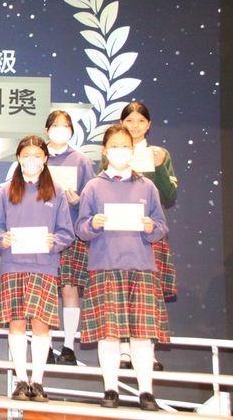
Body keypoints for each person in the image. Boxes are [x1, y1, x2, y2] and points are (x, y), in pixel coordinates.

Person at [76, 124, 169, 412]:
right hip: (105, 266)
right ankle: (110, 388)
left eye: (125, 146)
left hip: (141, 267)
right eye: (114, 146)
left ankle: (146, 392)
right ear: (105, 151)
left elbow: (161, 226)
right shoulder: (93, 186)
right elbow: (81, 229)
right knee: (109, 333)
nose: (120, 151)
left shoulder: (147, 186)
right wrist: (93, 224)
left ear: (132, 150)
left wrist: (151, 227)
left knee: (142, 333)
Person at [0, 135, 74, 402]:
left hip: (44, 266)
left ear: (45, 159)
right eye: (26, 156)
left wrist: (54, 241)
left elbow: (67, 232)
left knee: (40, 325)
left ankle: (37, 381)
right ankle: (21, 380)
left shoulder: (57, 192)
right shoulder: (6, 191)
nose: (32, 160)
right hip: (13, 265)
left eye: (37, 156)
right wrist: (2, 239)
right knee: (15, 323)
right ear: (18, 158)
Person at [117, 101, 177, 371]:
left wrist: (160, 167)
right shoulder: (113, 152)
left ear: (149, 125)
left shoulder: (159, 154)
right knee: (119, 291)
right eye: (130, 121)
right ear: (121, 124)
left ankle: (147, 352)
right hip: (118, 233)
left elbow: (169, 195)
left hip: (148, 232)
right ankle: (123, 350)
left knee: (148, 294)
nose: (135, 126)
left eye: (141, 121)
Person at [44, 110, 95, 365]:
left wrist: (78, 201)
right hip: (42, 233)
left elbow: (93, 200)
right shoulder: (36, 156)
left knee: (69, 287)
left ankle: (68, 346)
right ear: (46, 130)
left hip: (70, 232)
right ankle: (45, 345)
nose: (60, 130)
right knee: (44, 288)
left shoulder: (81, 160)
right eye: (55, 125)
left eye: (65, 126)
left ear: (71, 131)